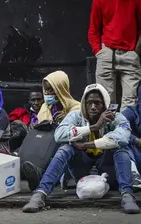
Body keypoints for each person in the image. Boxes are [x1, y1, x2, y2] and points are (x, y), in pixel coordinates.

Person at [23, 83, 140, 214]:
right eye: (89, 103)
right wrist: (93, 127)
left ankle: (127, 195)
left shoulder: (116, 117)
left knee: (121, 149)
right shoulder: (76, 116)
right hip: (82, 172)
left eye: (97, 103)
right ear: (84, 103)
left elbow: (122, 137)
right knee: (66, 148)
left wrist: (86, 145)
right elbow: (59, 134)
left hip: (107, 172)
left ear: (105, 105)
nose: (93, 107)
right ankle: (40, 194)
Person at [88, 0, 141, 109]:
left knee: (131, 102)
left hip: (130, 54)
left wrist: (136, 51)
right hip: (107, 53)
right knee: (105, 100)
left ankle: (125, 131)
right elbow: (93, 29)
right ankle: (108, 131)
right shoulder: (99, 0)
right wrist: (98, 52)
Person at [22, 71, 80, 191]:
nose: (47, 94)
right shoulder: (45, 108)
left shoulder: (76, 108)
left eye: (51, 90)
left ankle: (41, 176)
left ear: (61, 89)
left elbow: (77, 132)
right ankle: (37, 173)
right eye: (46, 90)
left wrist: (66, 119)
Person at [121, 83, 141, 188]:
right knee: (122, 142)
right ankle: (133, 175)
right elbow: (119, 130)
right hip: (136, 153)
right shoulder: (130, 112)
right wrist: (136, 140)